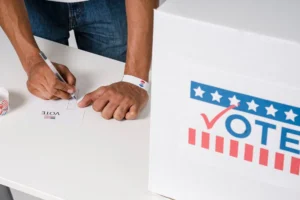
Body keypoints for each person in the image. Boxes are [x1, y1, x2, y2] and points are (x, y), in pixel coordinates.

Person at [0, 0, 158, 199]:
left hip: (110, 5)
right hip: (33, 5)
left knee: (118, 120)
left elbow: (133, 86)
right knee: (43, 115)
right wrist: (32, 62)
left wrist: (136, 81)